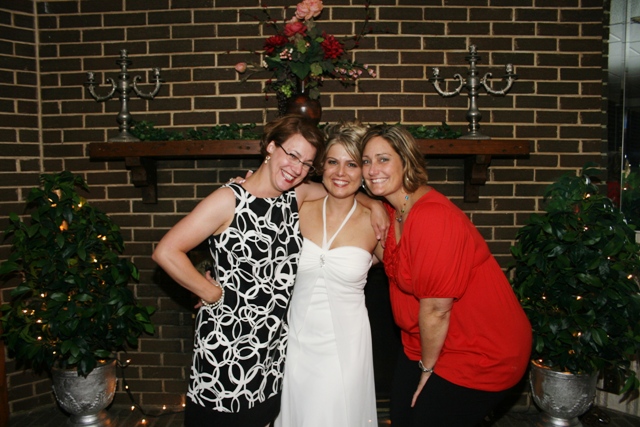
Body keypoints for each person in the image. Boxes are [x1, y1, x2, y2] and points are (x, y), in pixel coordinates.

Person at [152, 115, 388, 427]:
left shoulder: (295, 196)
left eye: (306, 163)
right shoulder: (229, 199)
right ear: (271, 147)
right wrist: (209, 292)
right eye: (292, 155)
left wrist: (375, 205)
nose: (296, 168)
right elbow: (166, 251)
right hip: (227, 346)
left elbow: (340, 186)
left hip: (273, 350)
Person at [360, 124, 532, 427]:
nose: (373, 170)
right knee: (402, 418)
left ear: (406, 161)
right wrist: (371, 202)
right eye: (366, 161)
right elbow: (335, 191)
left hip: (479, 350)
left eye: (383, 159)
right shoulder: (392, 211)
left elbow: (437, 310)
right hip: (423, 343)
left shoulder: (432, 217)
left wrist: (427, 371)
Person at [275, 122, 383, 427]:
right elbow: (254, 245)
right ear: (321, 166)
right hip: (295, 341)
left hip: (346, 347)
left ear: (363, 171)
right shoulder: (298, 204)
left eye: (352, 164)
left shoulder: (376, 223)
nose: (341, 173)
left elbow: (408, 275)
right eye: (333, 162)